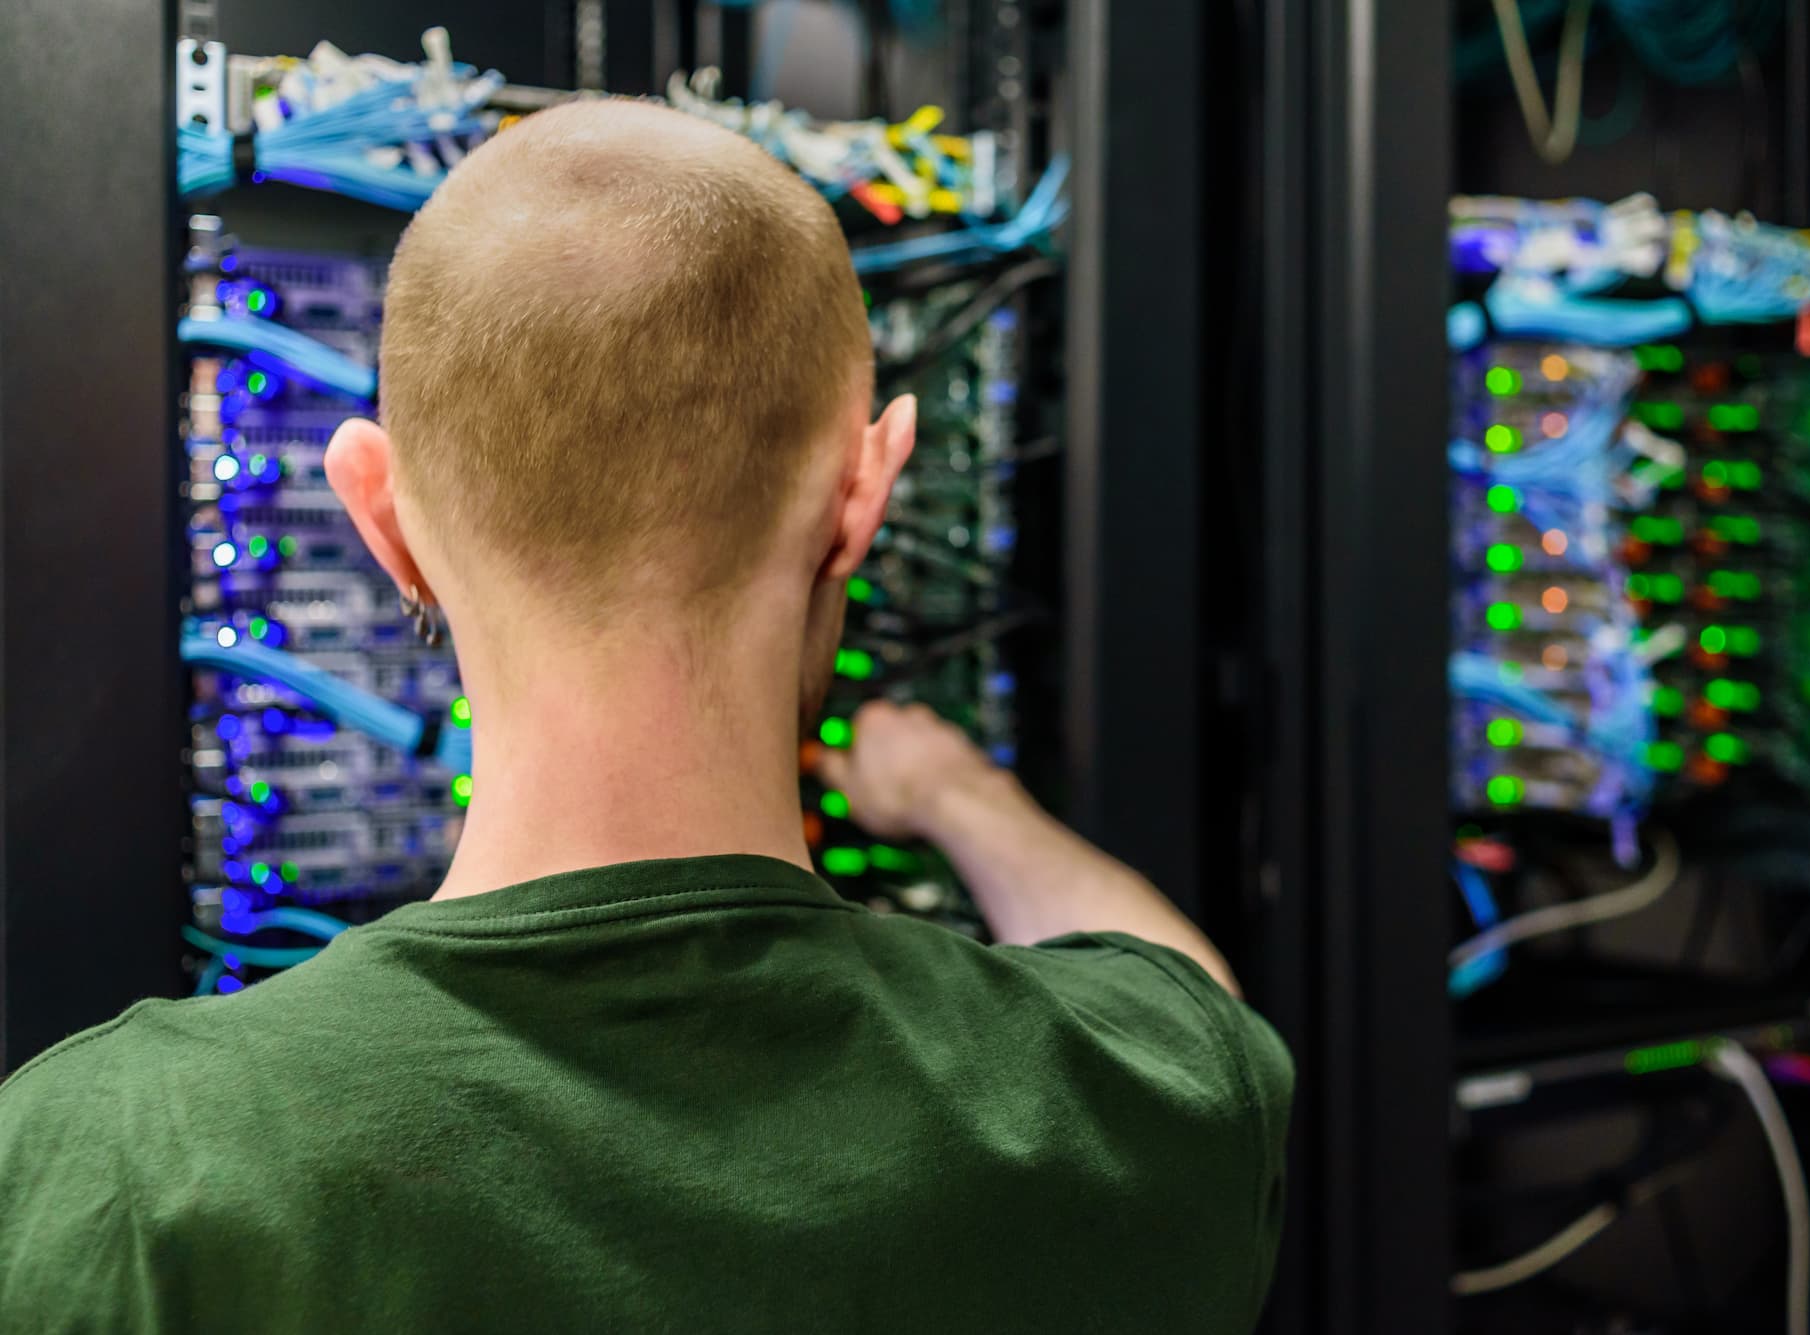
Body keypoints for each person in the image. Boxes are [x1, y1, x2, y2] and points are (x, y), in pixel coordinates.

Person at [0, 99, 1291, 1332]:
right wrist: (962, 799)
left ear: (378, 514)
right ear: (868, 487)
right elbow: (1181, 990)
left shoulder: (105, 1169)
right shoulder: (1148, 1102)